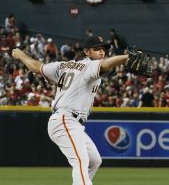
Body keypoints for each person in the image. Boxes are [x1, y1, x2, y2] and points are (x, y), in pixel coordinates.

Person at [12, 36, 129, 185]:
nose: (102, 52)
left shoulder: (64, 66)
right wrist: (127, 58)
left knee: (94, 160)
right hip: (65, 120)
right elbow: (106, 64)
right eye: (97, 49)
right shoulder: (89, 66)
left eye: (103, 49)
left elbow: (36, 66)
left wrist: (20, 55)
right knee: (81, 161)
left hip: (71, 123)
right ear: (87, 52)